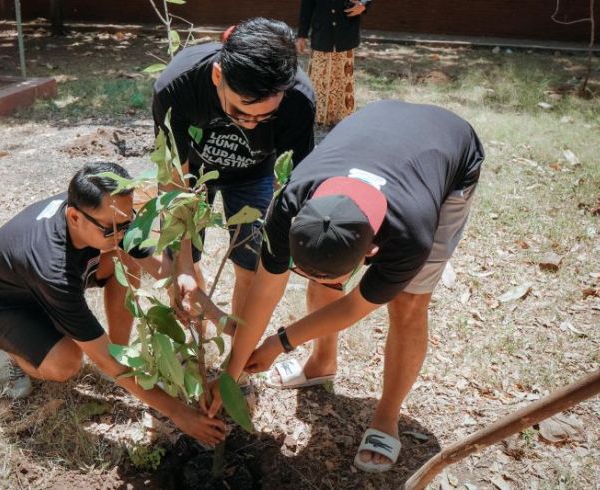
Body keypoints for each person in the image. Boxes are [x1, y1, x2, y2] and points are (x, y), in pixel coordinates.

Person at [207, 100, 485, 472]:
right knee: (326, 280)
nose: (321, 284)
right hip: (379, 124)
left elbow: (355, 305)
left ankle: (386, 415)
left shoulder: (410, 234)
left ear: (371, 251)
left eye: (337, 275)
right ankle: (322, 363)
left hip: (449, 148)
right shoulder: (290, 203)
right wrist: (230, 371)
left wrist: (279, 342)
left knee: (408, 303)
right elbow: (265, 289)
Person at [0, 162, 225, 446]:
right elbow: (101, 358)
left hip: (37, 288)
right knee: (67, 362)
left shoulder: (104, 213)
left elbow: (158, 265)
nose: (122, 233)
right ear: (74, 217)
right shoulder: (54, 270)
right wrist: (177, 412)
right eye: (112, 229)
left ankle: (119, 345)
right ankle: (11, 350)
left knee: (126, 258)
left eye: (127, 223)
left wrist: (219, 317)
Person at [152, 17, 315, 322]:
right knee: (181, 265)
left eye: (264, 117)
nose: (250, 123)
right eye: (239, 111)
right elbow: (173, 177)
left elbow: (295, 183)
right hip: (193, 175)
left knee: (251, 264)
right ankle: (194, 348)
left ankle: (238, 355)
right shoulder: (178, 87)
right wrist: (184, 262)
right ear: (218, 76)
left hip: (255, 174)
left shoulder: (298, 101)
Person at [296, 0, 371, 127]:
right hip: (322, 33)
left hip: (346, 31)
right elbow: (307, 6)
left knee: (343, 76)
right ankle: (317, 115)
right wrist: (301, 35)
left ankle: (342, 115)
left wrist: (364, 5)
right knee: (319, 76)